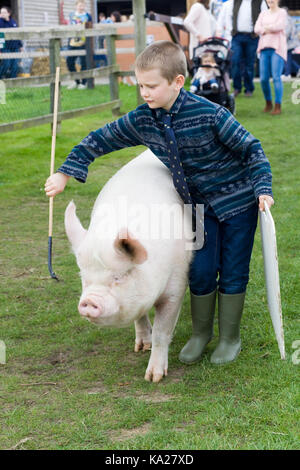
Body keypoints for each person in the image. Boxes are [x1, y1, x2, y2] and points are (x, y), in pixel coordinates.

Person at [45, 40, 274, 366]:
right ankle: (200, 334)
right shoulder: (144, 119)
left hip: (238, 204)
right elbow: (101, 138)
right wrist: (66, 172)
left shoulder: (211, 114)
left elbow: (252, 149)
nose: (144, 93)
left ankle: (229, 338)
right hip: (196, 208)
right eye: (140, 85)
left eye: (151, 86)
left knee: (234, 271)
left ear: (177, 82)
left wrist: (262, 188)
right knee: (202, 272)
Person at [228, 0, 268, 97]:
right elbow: (229, 16)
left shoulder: (260, 2)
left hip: (252, 37)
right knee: (235, 61)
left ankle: (249, 89)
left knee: (249, 64)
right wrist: (230, 30)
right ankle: (237, 88)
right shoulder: (235, 1)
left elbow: (265, 17)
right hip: (237, 36)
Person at [254, 0, 287, 115]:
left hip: (277, 48)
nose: (270, 1)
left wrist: (266, 28)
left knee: (276, 77)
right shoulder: (263, 14)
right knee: (263, 79)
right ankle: (268, 103)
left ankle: (278, 105)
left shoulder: (282, 12)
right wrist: (267, 29)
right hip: (264, 48)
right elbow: (256, 28)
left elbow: (280, 26)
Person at [66, 0, 92, 90]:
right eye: (79, 5)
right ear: (76, 6)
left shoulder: (88, 16)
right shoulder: (72, 15)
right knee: (69, 61)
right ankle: (76, 81)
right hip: (73, 42)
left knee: (83, 63)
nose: (81, 7)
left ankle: (84, 82)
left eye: (83, 5)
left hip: (84, 42)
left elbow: (91, 27)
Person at [0, 6, 22, 79]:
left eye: (4, 12)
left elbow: (17, 34)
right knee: (6, 64)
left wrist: (20, 45)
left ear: (9, 13)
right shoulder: (0, 22)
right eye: (1, 12)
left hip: (15, 47)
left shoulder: (13, 22)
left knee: (15, 65)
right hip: (5, 47)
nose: (2, 14)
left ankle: (13, 80)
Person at [282, 9, 300, 80]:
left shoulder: (287, 19)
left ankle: (287, 74)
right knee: (287, 58)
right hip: (289, 42)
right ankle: (298, 69)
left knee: (287, 57)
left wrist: (281, 39)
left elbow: (287, 32)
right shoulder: (286, 19)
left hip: (290, 43)